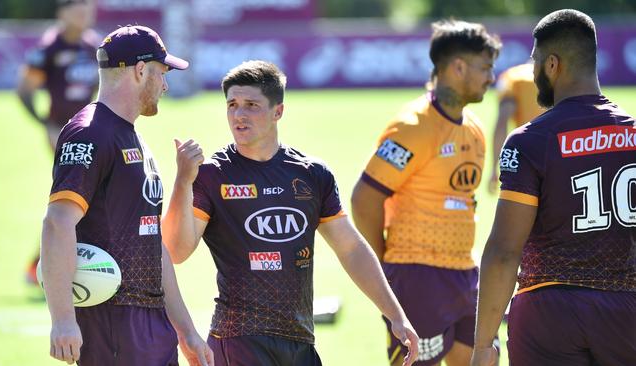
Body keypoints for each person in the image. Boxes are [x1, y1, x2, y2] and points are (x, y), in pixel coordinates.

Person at [161, 60, 420, 366]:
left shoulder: (312, 174)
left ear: (278, 112)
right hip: (239, 338)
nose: (239, 114)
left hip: (300, 340)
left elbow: (350, 248)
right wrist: (183, 180)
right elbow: (175, 250)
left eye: (251, 105)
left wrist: (395, 314)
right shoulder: (212, 175)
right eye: (232, 104)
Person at [40, 25, 213, 365]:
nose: (165, 84)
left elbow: (153, 244)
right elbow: (58, 223)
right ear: (140, 70)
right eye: (162, 73)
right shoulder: (89, 134)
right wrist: (63, 320)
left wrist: (186, 331)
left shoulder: (132, 137)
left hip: (151, 322)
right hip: (112, 323)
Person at [472, 9, 636, 366]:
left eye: (534, 62)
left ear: (552, 65)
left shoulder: (530, 141)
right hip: (627, 312)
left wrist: (484, 345)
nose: (532, 73)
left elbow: (503, 250)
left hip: (549, 316)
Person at [351, 20, 501, 366]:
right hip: (417, 274)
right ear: (457, 67)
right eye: (485, 67)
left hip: (465, 273)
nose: (491, 77)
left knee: (485, 359)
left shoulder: (474, 128)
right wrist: (385, 266)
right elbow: (364, 198)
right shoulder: (413, 126)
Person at [17, 0, 100, 286]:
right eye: (77, 9)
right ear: (61, 13)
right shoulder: (49, 48)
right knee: (74, 200)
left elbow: (100, 90)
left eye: (87, 8)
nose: (84, 14)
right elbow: (24, 89)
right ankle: (46, 268)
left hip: (88, 135)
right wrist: (46, 125)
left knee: (81, 200)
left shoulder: (93, 47)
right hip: (62, 138)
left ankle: (43, 265)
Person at [487, 62, 543, 193]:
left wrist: (494, 166)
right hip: (558, 153)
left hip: (526, 156)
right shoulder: (558, 77)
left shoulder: (513, 78)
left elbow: (502, 121)